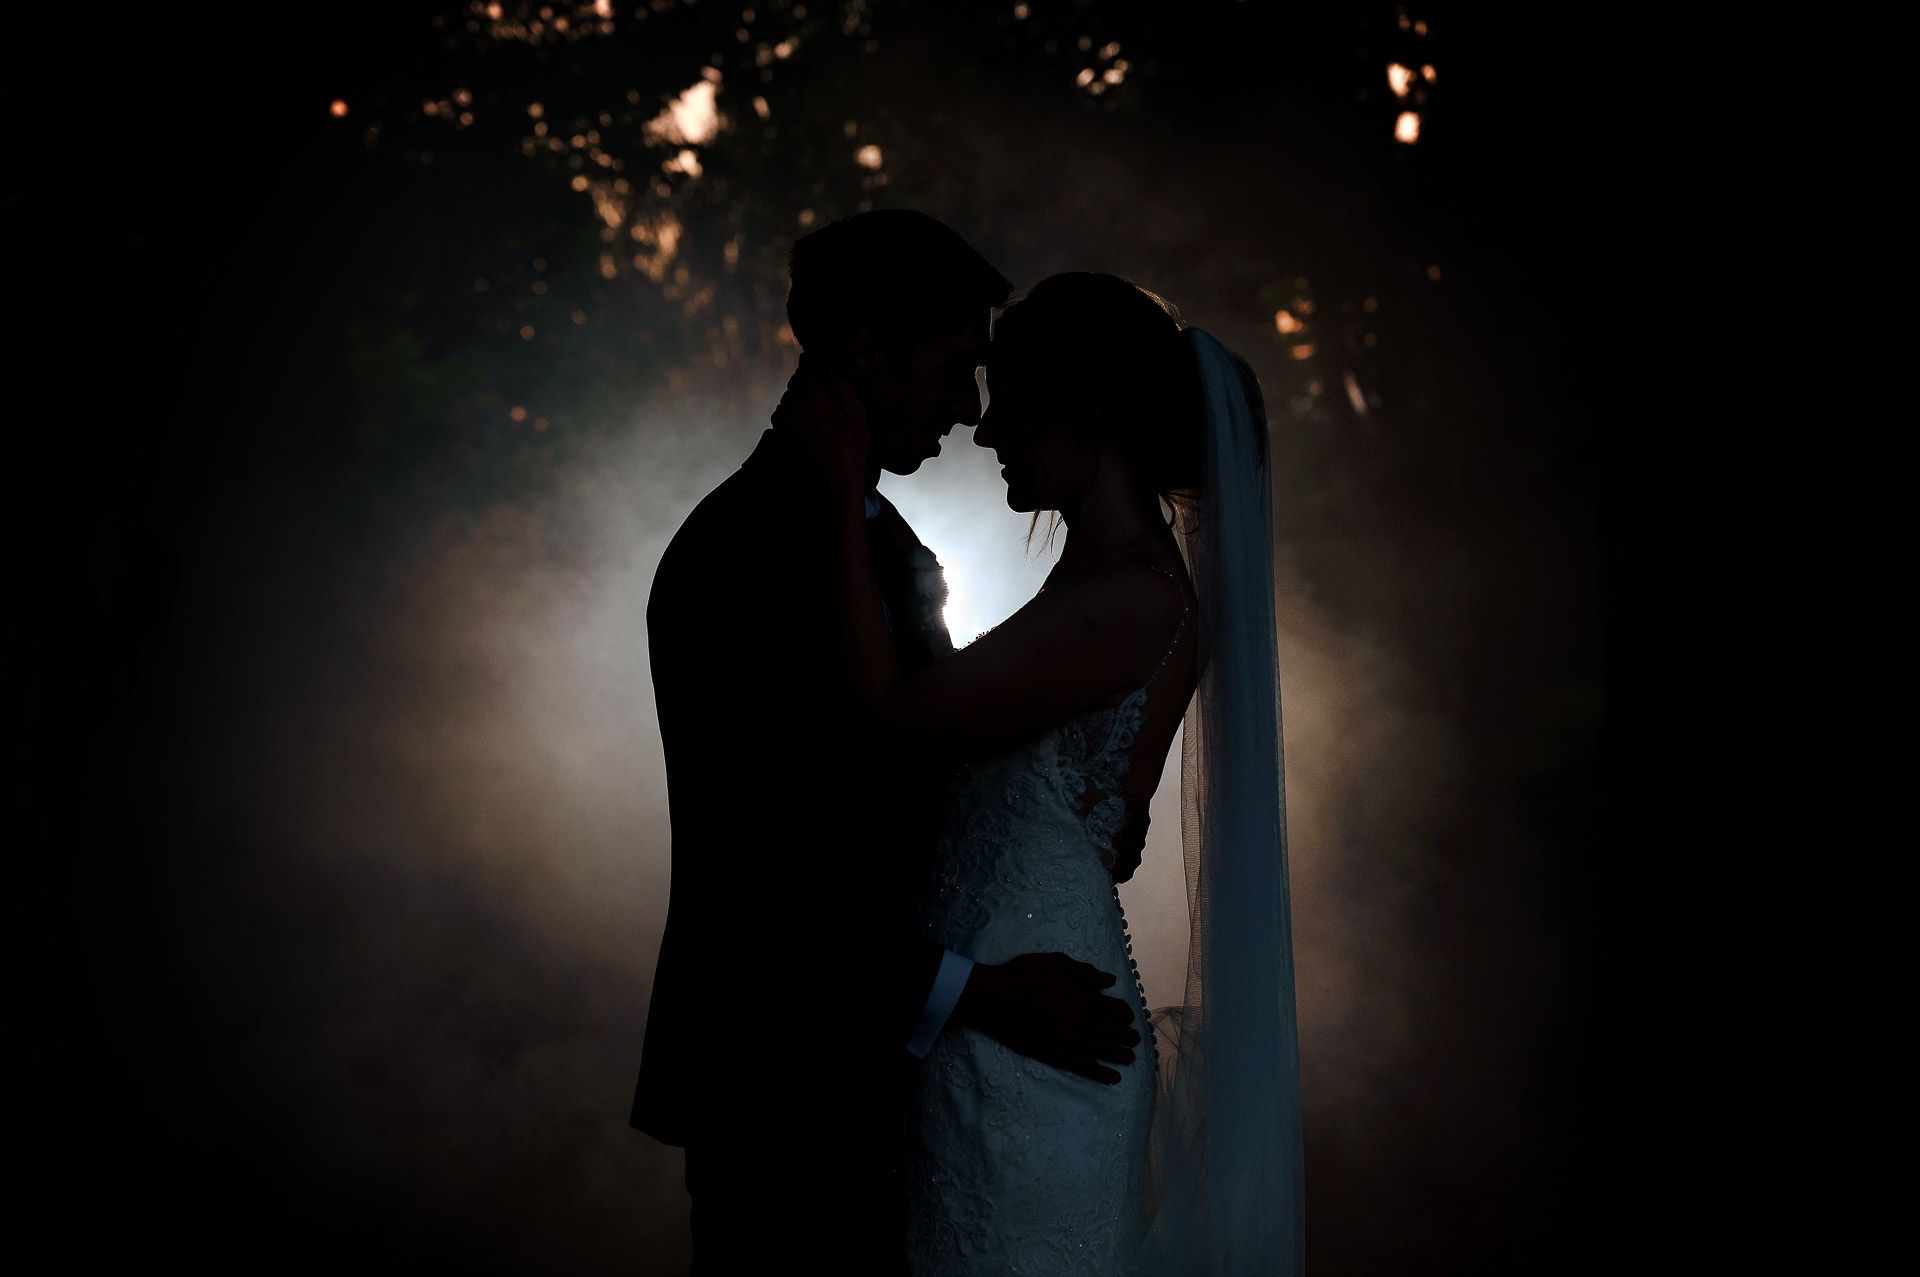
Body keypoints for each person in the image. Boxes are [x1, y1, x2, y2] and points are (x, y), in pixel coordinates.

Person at [628, 214, 1143, 1274]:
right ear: (868, 351)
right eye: (955, 370)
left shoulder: (875, 537)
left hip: (874, 1083)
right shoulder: (750, 553)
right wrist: (984, 991)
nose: (968, 410)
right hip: (787, 1087)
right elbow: (767, 869)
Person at [779, 271, 1306, 1273]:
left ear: (1088, 414)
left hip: (1041, 1041)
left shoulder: (1133, 598)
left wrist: (847, 496)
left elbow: (897, 712)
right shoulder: (1094, 586)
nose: (985, 429)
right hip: (998, 1020)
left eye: (1012, 401)